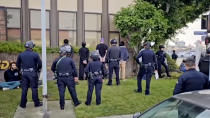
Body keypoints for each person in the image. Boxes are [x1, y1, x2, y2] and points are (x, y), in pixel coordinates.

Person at [16, 41, 42, 108]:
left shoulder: (21, 54)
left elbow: (17, 64)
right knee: (34, 88)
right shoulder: (35, 54)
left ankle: (22, 104)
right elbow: (40, 64)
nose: (33, 47)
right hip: (32, 73)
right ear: (31, 47)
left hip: (24, 73)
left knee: (24, 89)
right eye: (33, 46)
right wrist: (37, 70)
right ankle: (36, 103)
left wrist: (20, 70)